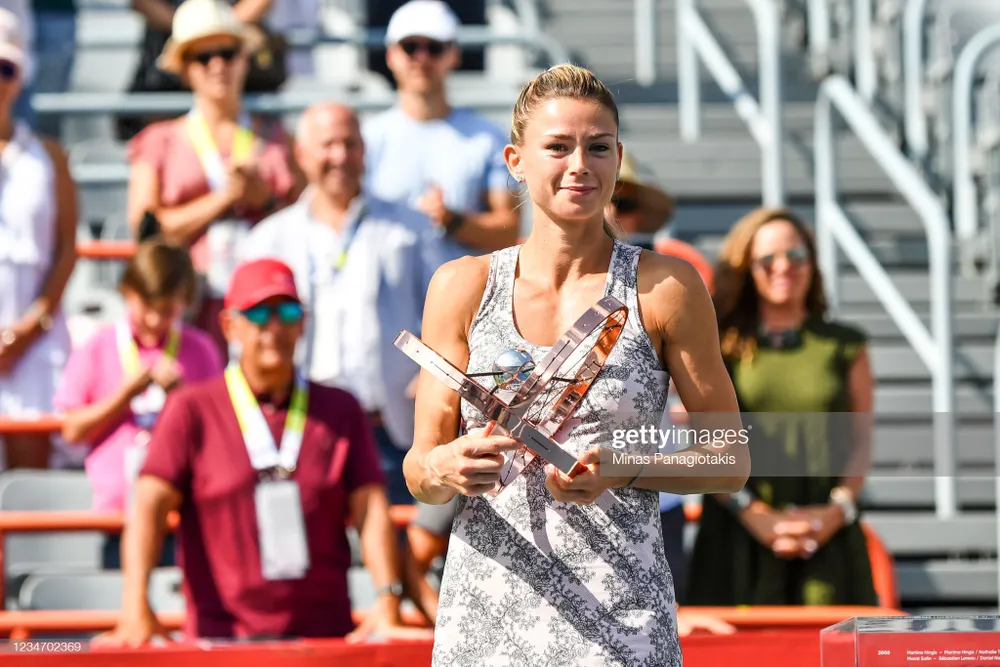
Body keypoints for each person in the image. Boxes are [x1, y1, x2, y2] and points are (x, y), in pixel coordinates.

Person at [402, 64, 749, 666]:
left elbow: (730, 459)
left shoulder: (666, 287)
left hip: (621, 625)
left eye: (598, 147)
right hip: (485, 624)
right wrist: (446, 465)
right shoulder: (462, 286)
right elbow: (419, 470)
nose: (580, 165)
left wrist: (626, 469)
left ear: (619, 158)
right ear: (515, 161)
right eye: (558, 147)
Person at [94, 258, 426, 644]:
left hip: (322, 640)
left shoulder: (340, 409)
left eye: (288, 312)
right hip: (222, 640)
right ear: (229, 326)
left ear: (303, 323)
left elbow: (371, 509)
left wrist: (387, 601)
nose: (274, 327)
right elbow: (148, 505)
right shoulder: (192, 409)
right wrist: (135, 607)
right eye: (258, 314)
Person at [239, 102, 445, 508]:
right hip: (301, 425)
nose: (340, 156)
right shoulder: (268, 238)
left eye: (350, 144)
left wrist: (429, 375)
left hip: (390, 425)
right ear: (301, 153)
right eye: (327, 144)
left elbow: (448, 312)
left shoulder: (411, 227)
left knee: (396, 535)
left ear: (364, 150)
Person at [685, 207, 877, 607]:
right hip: (735, 536)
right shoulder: (717, 345)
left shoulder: (845, 345)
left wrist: (836, 512)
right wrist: (755, 515)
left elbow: (861, 441)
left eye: (796, 255)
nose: (784, 267)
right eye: (767, 259)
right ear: (746, 269)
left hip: (825, 537)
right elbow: (704, 440)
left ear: (813, 263)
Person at [126, 0, 303, 354]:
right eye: (203, 57)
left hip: (263, 315)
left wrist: (264, 201)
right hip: (187, 313)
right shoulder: (159, 141)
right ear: (185, 70)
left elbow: (307, 223)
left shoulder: (279, 139)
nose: (217, 66)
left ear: (244, 59)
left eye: (227, 53)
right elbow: (145, 230)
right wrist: (224, 198)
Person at [53, 239, 223, 567]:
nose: (156, 320)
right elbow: (71, 430)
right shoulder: (99, 346)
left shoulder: (201, 350)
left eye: (167, 309)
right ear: (127, 292)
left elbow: (217, 433)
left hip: (183, 515)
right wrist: (124, 395)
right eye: (147, 306)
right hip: (117, 515)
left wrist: (183, 398)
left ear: (184, 301)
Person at [362, 0, 520, 262]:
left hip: (464, 286)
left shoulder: (487, 137)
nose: (422, 58)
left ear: (454, 55)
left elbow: (508, 231)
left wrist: (452, 220)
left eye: (434, 48)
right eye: (410, 47)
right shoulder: (367, 138)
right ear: (391, 55)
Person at [0, 6, 78, 470]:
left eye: (5, 69)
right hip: (26, 337)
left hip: (35, 343)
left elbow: (66, 249)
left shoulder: (49, 156)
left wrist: (29, 328)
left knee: (29, 483)